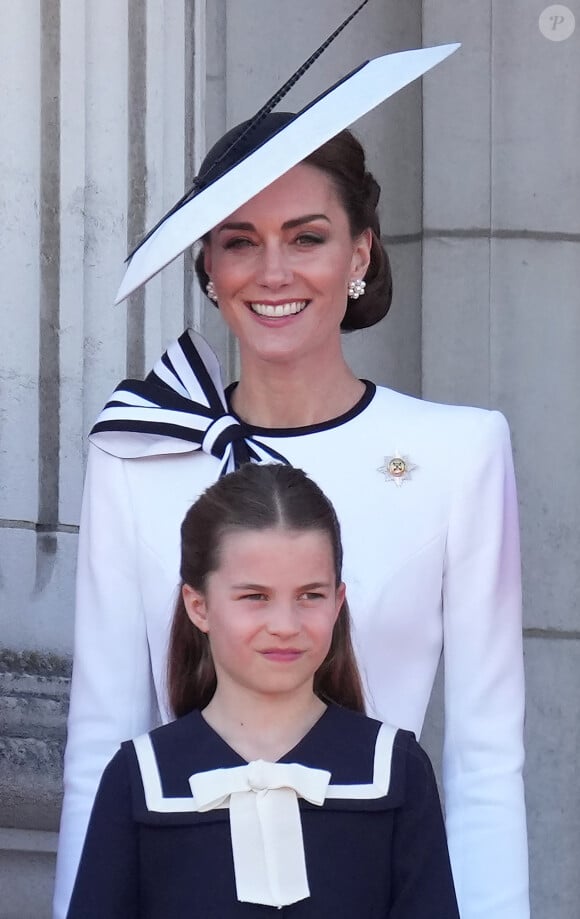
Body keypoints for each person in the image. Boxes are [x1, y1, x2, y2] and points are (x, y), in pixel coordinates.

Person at [54, 40, 528, 919]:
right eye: (241, 242)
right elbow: (102, 742)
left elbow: (486, 763)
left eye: (307, 237)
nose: (274, 273)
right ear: (208, 266)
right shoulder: (136, 453)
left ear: (359, 254)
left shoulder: (459, 451)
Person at [66, 463, 460, 918]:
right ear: (199, 606)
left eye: (310, 595)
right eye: (255, 597)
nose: (285, 626)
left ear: (338, 601)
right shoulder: (142, 777)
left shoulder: (395, 770)